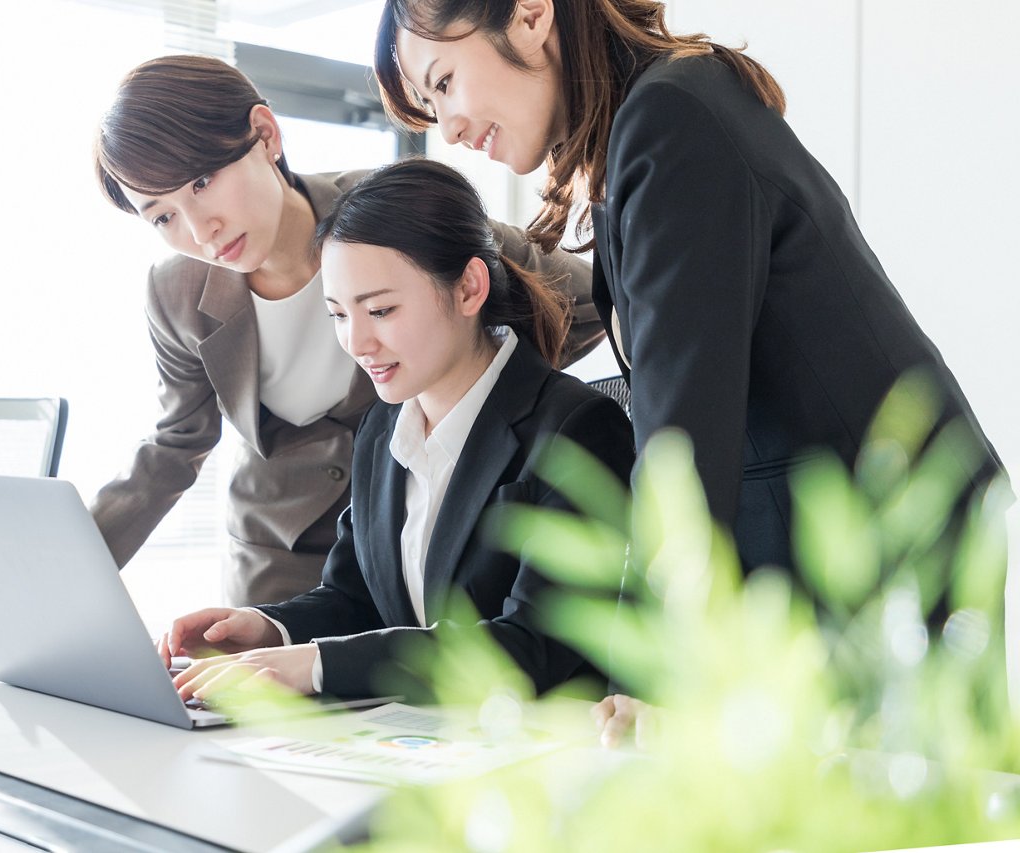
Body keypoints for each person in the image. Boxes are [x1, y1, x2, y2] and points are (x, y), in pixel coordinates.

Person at [373, 0, 1010, 743]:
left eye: (443, 82)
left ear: (531, 14)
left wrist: (656, 678)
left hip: (881, 542)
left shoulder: (669, 118)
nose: (445, 126)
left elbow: (683, 428)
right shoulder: (650, 121)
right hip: (849, 531)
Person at [89, 54, 605, 607]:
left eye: (203, 181)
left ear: (265, 135)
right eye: (162, 216)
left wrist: (498, 392)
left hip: (417, 542)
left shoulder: (386, 214)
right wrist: (59, 566)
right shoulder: (177, 295)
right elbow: (174, 447)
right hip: (273, 566)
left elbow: (588, 300)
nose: (199, 229)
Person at [165, 159, 636, 701]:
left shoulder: (576, 428)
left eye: (381, 310)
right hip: (417, 742)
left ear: (468, 289)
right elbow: (357, 597)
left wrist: (314, 666)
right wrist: (267, 630)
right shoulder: (382, 428)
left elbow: (533, 647)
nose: (357, 343)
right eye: (338, 315)